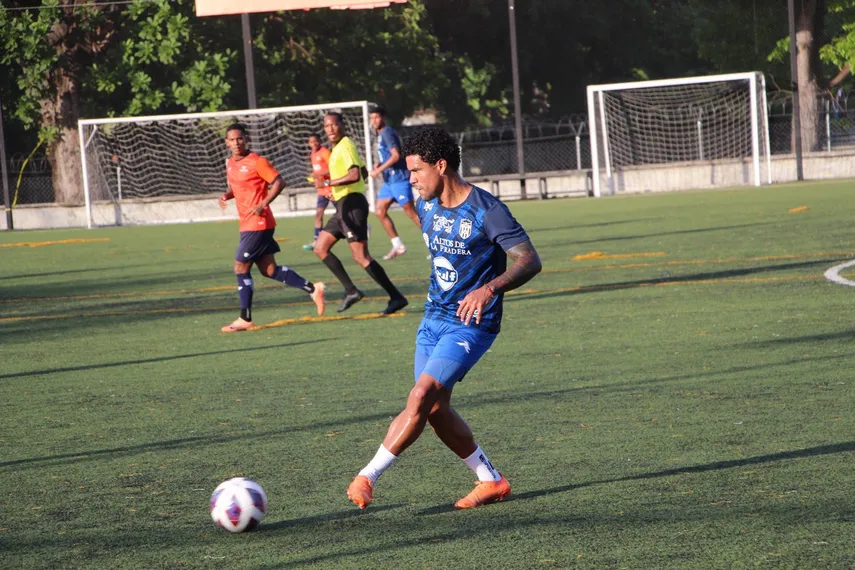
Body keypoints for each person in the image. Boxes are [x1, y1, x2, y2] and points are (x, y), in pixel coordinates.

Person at [346, 127, 542, 510]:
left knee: (420, 395)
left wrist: (488, 289)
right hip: (432, 317)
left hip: (471, 323)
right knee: (435, 410)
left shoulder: (488, 210)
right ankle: (492, 481)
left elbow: (529, 260)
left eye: (416, 171)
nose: (410, 179)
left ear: (442, 165)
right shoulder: (425, 205)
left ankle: (367, 476)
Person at [218, 123, 326, 332]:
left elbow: (279, 182)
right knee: (269, 270)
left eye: (240, 138)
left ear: (246, 139)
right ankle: (313, 289)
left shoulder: (257, 162)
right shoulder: (230, 163)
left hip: (259, 224)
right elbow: (236, 187)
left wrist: (263, 203)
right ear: (226, 142)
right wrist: (226, 195)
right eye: (232, 139)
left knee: (240, 267)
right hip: (248, 224)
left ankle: (245, 318)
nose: (236, 142)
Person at [314, 112, 409, 315]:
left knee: (361, 257)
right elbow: (364, 173)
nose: (330, 129)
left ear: (342, 125)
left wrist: (330, 182)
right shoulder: (338, 149)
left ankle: (396, 296)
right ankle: (351, 291)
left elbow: (355, 174)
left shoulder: (345, 145)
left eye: (334, 124)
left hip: (352, 206)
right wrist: (336, 190)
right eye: (326, 126)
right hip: (343, 204)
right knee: (320, 248)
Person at [368, 105, 420, 260]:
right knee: (379, 211)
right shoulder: (380, 135)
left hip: (399, 179)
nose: (374, 120)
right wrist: (379, 164)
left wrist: (378, 170)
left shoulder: (387, 133)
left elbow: (396, 155)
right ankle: (398, 245)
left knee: (411, 213)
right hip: (389, 182)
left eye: (377, 117)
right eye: (372, 117)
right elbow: (387, 155)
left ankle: (436, 244)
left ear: (383, 118)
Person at [303, 134, 332, 251]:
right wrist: (313, 178)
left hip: (331, 187)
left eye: (316, 141)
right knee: (319, 214)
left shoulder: (325, 152)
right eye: (311, 142)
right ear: (309, 144)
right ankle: (317, 240)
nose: (314, 144)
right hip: (322, 190)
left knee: (344, 214)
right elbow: (317, 171)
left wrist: (319, 175)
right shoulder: (312, 155)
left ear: (319, 141)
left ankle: (364, 227)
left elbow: (333, 167)